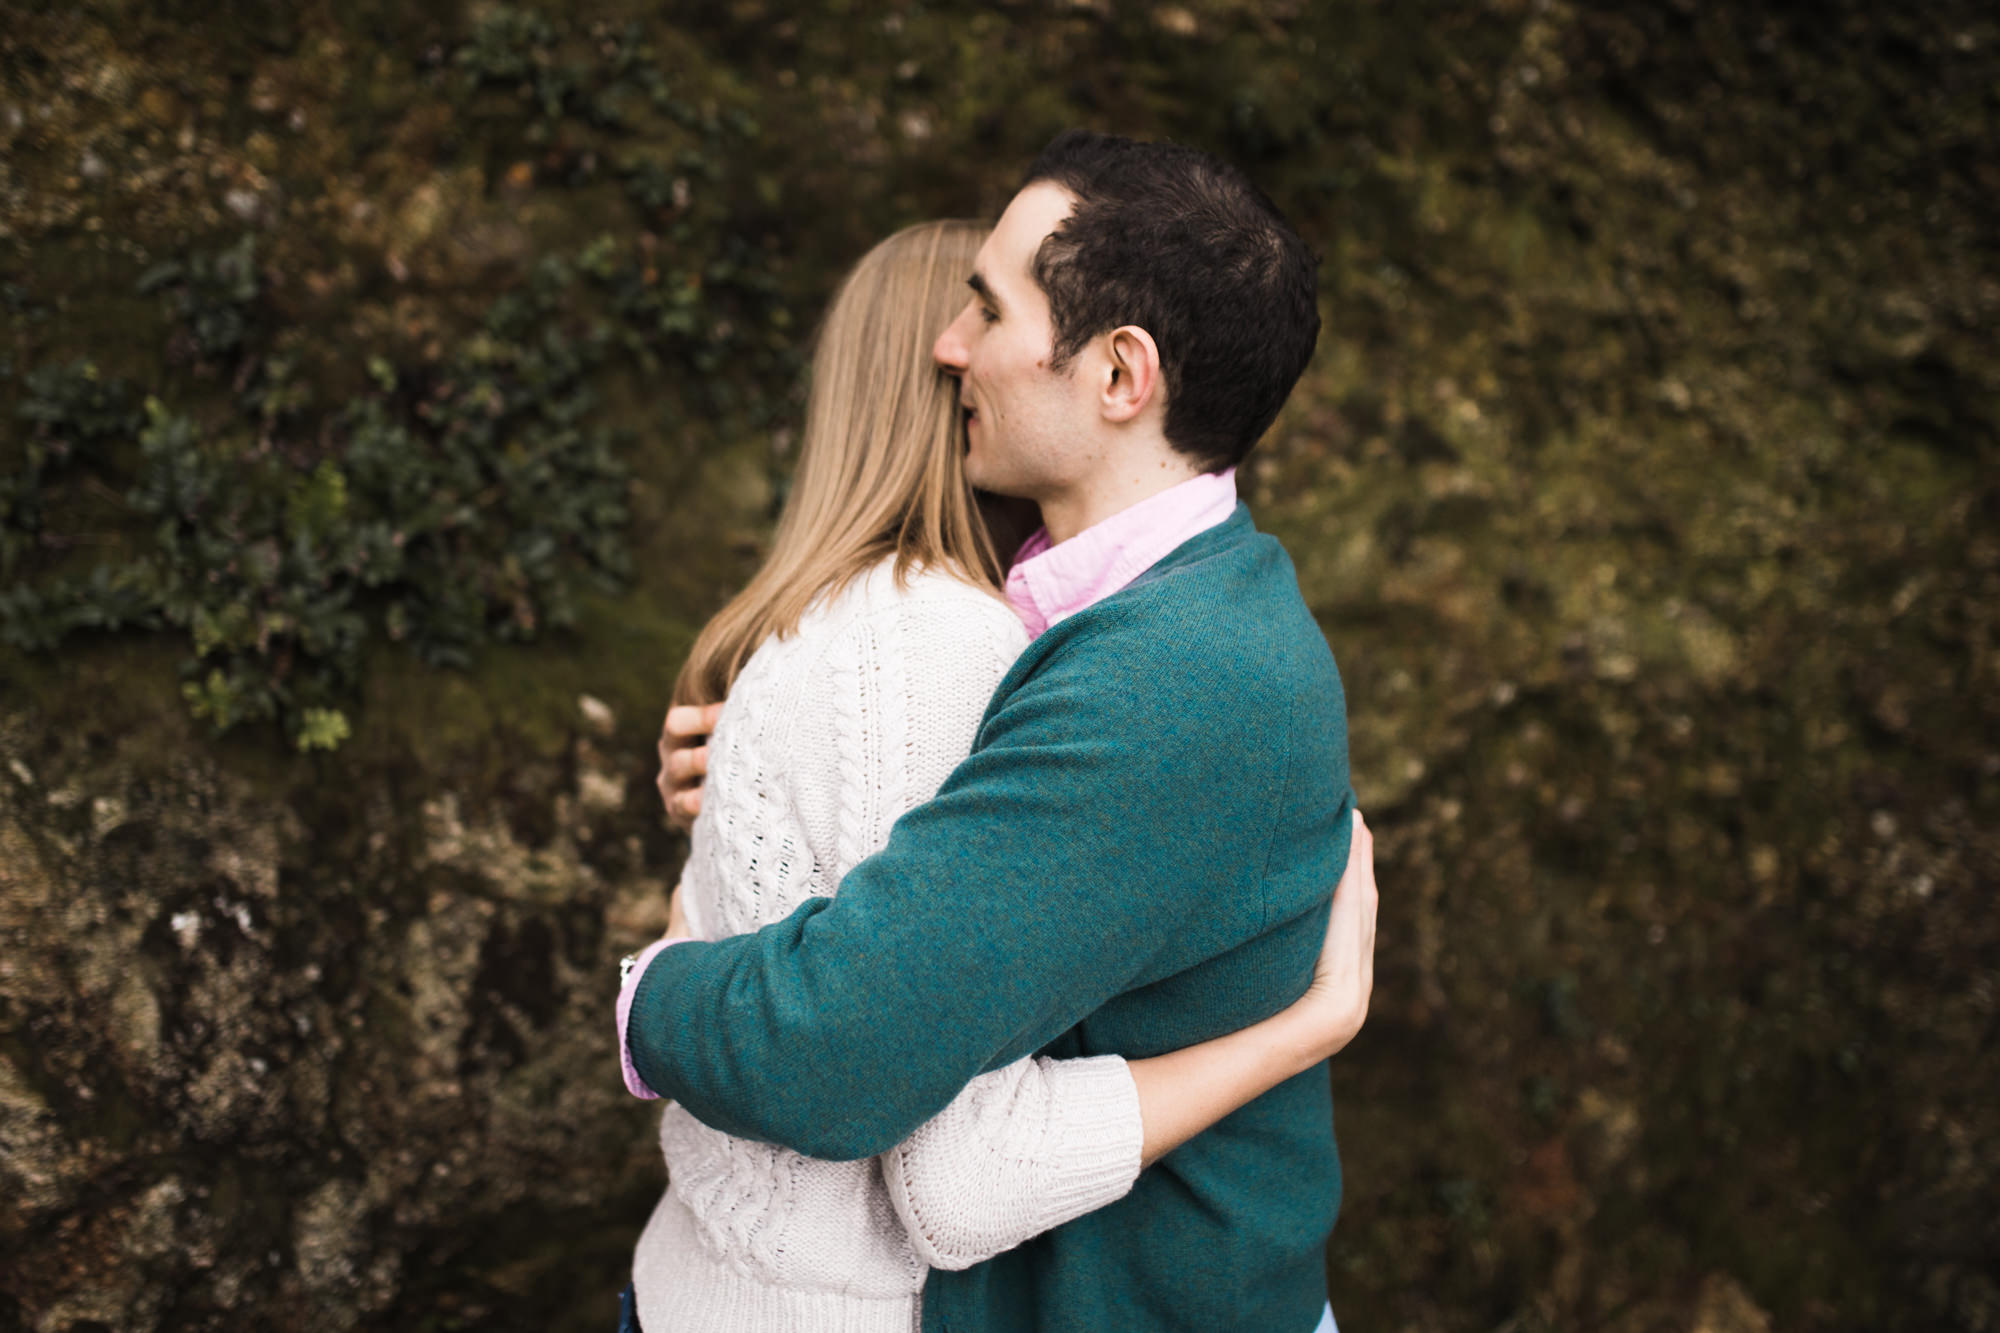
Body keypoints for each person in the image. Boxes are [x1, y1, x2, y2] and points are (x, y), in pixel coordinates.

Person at [624, 132, 1360, 1332]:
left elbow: (833, 1051)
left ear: (1119, 376)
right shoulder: (1121, 614)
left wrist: (652, 987)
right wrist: (759, 778)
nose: (946, 344)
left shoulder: (1168, 680)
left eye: (987, 306)